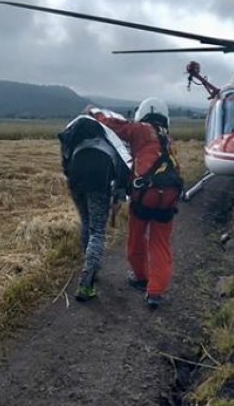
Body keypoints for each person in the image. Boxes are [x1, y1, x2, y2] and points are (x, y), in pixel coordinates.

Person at [87, 98, 183, 309]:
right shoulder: (168, 139)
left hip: (144, 194)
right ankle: (155, 292)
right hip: (170, 195)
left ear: (143, 113)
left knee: (137, 238)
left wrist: (94, 111)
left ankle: (140, 277)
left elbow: (112, 125)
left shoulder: (141, 129)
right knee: (160, 243)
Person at [58, 113, 131, 302]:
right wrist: (117, 199)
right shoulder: (111, 144)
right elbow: (122, 173)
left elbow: (65, 167)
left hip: (76, 180)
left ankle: (90, 267)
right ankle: (86, 283)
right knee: (97, 231)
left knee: (86, 223)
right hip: (98, 183)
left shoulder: (76, 142)